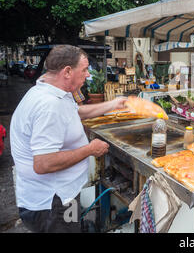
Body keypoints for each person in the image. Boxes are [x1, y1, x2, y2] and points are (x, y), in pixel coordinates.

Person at [10, 45, 128, 233]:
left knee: (73, 225)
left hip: (62, 196)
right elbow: (43, 163)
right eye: (84, 70)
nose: (88, 75)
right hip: (53, 204)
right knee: (68, 228)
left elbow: (77, 112)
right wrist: (90, 149)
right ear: (67, 71)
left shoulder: (53, 92)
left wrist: (113, 104)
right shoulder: (49, 105)